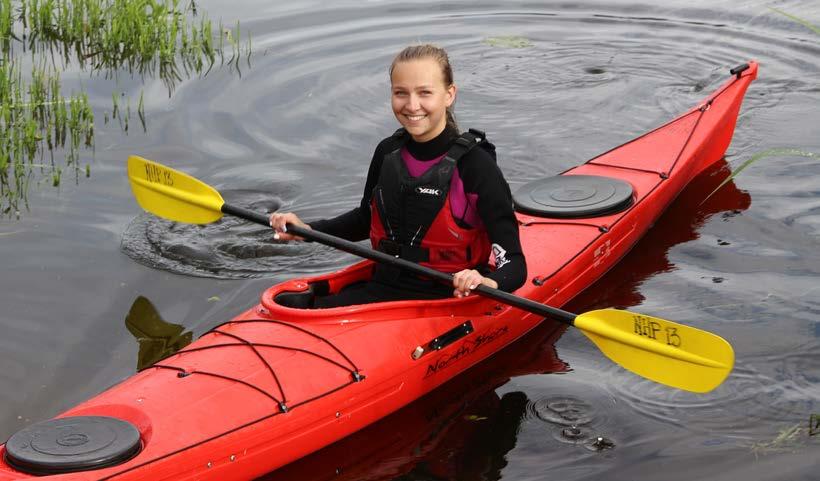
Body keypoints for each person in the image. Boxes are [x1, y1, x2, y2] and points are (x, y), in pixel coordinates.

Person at [270, 44, 526, 308]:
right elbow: (366, 219)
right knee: (292, 304)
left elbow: (515, 265)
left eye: (425, 92)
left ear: (449, 94)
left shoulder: (476, 165)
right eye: (400, 93)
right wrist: (308, 230)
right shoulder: (388, 151)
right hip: (384, 285)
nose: (412, 105)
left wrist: (487, 282)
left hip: (450, 298)